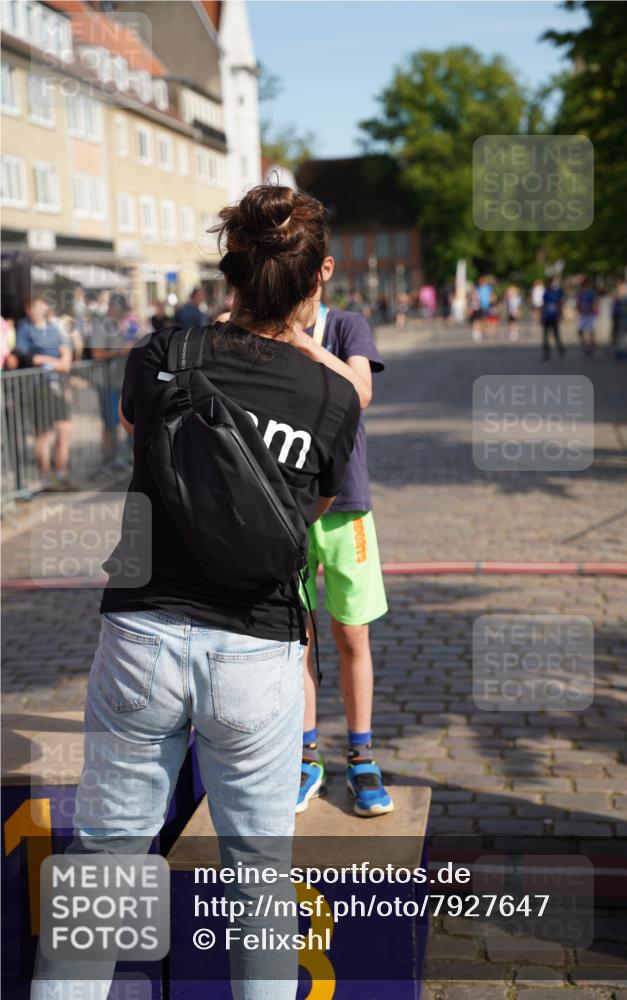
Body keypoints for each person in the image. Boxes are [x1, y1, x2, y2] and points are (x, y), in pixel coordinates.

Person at [31, 185, 361, 1000]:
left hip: (142, 634)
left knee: (105, 866)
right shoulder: (333, 396)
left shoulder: (159, 356)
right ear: (321, 275)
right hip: (257, 646)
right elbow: (305, 513)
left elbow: (143, 444)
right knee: (258, 882)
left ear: (231, 269)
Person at [297, 260, 391, 818]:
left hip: (346, 505)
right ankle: (306, 755)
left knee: (351, 634)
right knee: (298, 640)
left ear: (322, 269)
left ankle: (361, 756)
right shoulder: (263, 325)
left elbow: (360, 392)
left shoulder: (347, 325)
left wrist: (305, 346)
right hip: (287, 507)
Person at [15, 296, 73, 490]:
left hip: (57, 385)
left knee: (64, 430)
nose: (37, 310)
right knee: (44, 434)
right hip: (37, 386)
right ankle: (46, 478)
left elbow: (65, 352)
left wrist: (61, 361)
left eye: (40, 305)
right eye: (33, 307)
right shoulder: (24, 328)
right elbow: (29, 356)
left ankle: (60, 474)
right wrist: (55, 362)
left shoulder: (53, 328)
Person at [89, 293, 132, 469]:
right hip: (106, 382)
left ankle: (119, 456)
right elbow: (96, 353)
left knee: (121, 420)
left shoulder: (120, 325)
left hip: (120, 382)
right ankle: (109, 458)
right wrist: (121, 351)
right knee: (110, 422)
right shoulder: (101, 326)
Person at [541, 278, 565, 360]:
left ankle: (560, 348)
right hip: (547, 316)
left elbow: (559, 304)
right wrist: (542, 316)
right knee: (546, 334)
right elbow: (544, 305)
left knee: (556, 333)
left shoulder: (557, 292)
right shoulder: (546, 293)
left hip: (554, 315)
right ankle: (546, 351)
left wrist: (559, 315)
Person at [577, 277, 598, 356]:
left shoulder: (591, 293)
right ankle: (585, 345)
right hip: (583, 314)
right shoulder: (581, 293)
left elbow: (594, 303)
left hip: (590, 314)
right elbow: (578, 302)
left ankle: (591, 345)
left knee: (590, 330)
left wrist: (594, 311)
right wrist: (579, 309)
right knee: (580, 330)